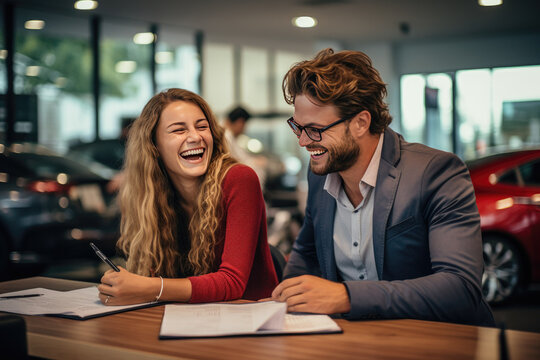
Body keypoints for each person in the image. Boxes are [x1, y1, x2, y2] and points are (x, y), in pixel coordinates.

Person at [270, 49, 495, 326]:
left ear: (361, 123)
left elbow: (460, 288)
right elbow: (307, 252)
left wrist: (346, 296)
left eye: (315, 129)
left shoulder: (437, 172)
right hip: (357, 341)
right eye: (298, 127)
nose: (303, 142)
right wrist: (284, 304)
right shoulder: (320, 172)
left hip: (441, 340)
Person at [97, 88, 278, 305]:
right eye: (178, 130)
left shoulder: (239, 178)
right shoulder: (152, 194)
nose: (195, 137)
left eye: (202, 127)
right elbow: (152, 276)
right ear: (154, 145)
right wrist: (124, 285)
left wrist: (147, 287)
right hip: (189, 320)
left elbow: (232, 282)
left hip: (250, 320)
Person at [224, 106, 267, 186]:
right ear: (240, 122)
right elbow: (235, 162)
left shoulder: (231, 137)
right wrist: (255, 162)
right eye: (244, 124)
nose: (245, 128)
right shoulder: (226, 137)